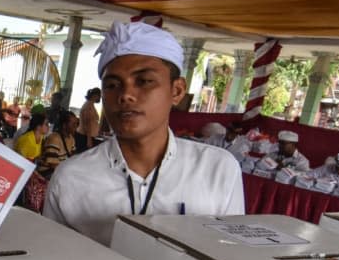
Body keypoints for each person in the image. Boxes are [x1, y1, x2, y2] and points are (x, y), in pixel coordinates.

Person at [43, 21, 244, 246]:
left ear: (176, 91)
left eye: (144, 81)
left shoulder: (217, 169)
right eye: (112, 85)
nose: (126, 95)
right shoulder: (71, 178)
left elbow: (231, 257)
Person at [38, 111, 77, 178]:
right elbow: (53, 165)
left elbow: (73, 158)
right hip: (47, 172)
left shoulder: (71, 138)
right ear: (64, 125)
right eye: (73, 124)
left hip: (59, 170)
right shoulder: (54, 139)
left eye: (76, 123)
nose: (75, 126)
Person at [76, 87, 101, 153]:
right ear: (95, 95)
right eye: (99, 96)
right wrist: (89, 140)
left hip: (86, 137)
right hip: (84, 137)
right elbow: (87, 123)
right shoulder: (88, 106)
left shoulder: (90, 105)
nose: (100, 98)